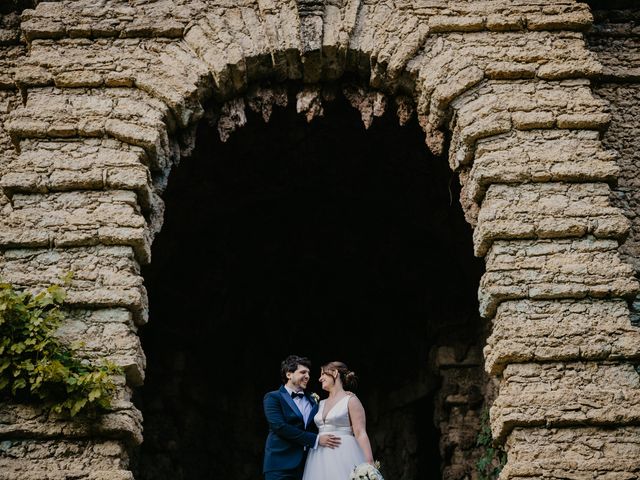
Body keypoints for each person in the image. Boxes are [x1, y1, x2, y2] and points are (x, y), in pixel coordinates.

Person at [263, 355, 342, 480]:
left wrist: (344, 396)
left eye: (309, 373)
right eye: (303, 372)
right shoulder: (273, 397)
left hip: (307, 465)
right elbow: (280, 427)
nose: (308, 376)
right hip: (280, 465)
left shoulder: (313, 400)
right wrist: (315, 440)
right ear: (289, 374)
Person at [301, 361, 375, 480]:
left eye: (323, 374)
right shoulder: (320, 404)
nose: (320, 379)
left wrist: (369, 463)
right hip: (318, 457)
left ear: (335, 373)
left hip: (344, 453)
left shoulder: (350, 400)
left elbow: (360, 433)